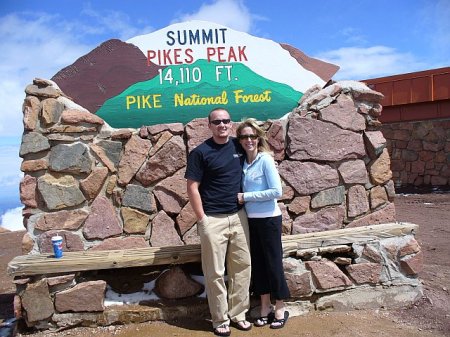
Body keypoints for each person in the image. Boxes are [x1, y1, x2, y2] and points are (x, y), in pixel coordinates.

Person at [185, 108, 252, 336]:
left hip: (239, 216)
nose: (222, 125)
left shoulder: (239, 146)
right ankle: (220, 319)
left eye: (226, 121)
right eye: (217, 122)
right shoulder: (200, 153)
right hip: (213, 219)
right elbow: (192, 187)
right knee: (214, 272)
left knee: (242, 268)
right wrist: (202, 219)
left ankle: (239, 314)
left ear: (231, 124)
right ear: (209, 125)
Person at [236, 118, 290, 329]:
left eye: (252, 136)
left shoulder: (265, 160)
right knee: (258, 265)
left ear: (258, 138)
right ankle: (264, 305)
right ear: (239, 140)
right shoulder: (243, 163)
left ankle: (280, 307)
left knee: (273, 264)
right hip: (251, 220)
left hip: (269, 220)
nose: (249, 140)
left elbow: (277, 192)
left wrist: (246, 196)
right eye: (244, 136)